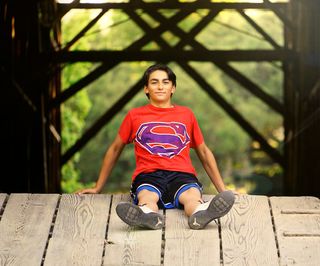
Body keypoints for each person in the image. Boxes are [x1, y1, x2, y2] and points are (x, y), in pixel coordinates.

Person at [77, 63, 235, 230]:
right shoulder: (134, 116)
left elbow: (203, 151)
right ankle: (146, 214)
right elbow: (115, 149)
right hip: (148, 175)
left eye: (165, 82)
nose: (160, 86)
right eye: (154, 82)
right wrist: (98, 187)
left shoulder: (186, 114)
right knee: (147, 196)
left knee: (191, 197)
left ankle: (200, 212)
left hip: (182, 174)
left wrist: (222, 190)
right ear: (146, 88)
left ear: (173, 88)